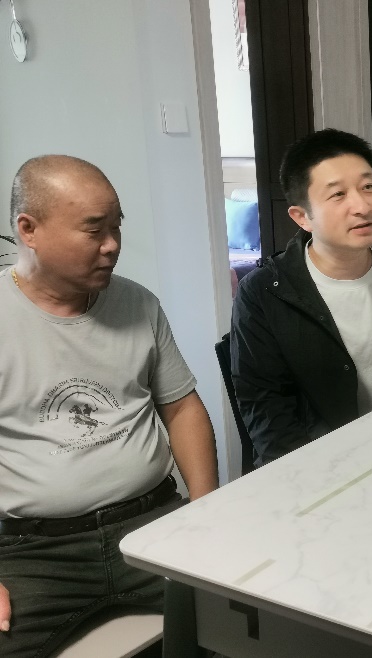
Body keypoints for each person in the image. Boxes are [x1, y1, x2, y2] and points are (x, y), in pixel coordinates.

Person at [0, 155, 219, 656]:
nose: (113, 244)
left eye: (117, 226)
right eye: (94, 229)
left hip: (151, 522)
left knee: (251, 613)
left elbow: (182, 407)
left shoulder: (138, 304)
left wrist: (205, 509)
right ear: (29, 229)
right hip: (35, 553)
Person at [231, 129, 372, 465]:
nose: (362, 206)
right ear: (302, 217)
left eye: (368, 187)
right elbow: (266, 409)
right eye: (338, 194)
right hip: (316, 465)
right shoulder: (263, 293)